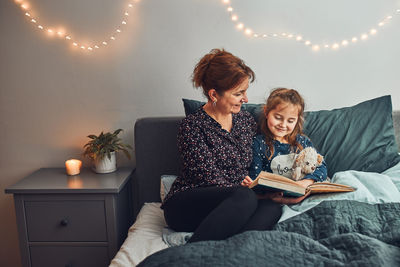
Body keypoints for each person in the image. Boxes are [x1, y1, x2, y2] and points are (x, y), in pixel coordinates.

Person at [161, 48, 282, 243]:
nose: (246, 99)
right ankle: (192, 252)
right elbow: (209, 179)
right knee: (245, 197)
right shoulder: (192, 127)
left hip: (237, 203)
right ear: (214, 94)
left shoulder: (245, 121)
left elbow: (260, 158)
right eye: (238, 93)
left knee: (272, 207)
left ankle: (231, 251)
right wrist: (252, 192)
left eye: (245, 91)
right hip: (188, 204)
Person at [247, 88, 328, 204]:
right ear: (266, 112)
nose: (283, 125)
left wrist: (307, 182)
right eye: (278, 118)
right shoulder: (259, 143)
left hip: (302, 194)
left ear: (297, 120)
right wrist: (251, 183)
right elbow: (255, 176)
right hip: (272, 198)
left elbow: (322, 166)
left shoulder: (302, 142)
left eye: (290, 121)